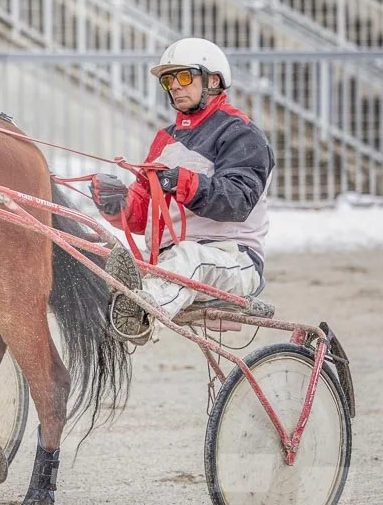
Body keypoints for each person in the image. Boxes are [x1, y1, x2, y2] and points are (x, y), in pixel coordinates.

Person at [91, 37, 275, 340]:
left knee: (190, 256)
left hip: (233, 260)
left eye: (185, 77)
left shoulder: (241, 134)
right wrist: (118, 204)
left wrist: (183, 182)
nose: (175, 86)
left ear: (213, 80)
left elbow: (238, 200)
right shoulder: (165, 139)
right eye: (168, 80)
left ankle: (140, 315)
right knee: (96, 251)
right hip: (169, 264)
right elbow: (143, 217)